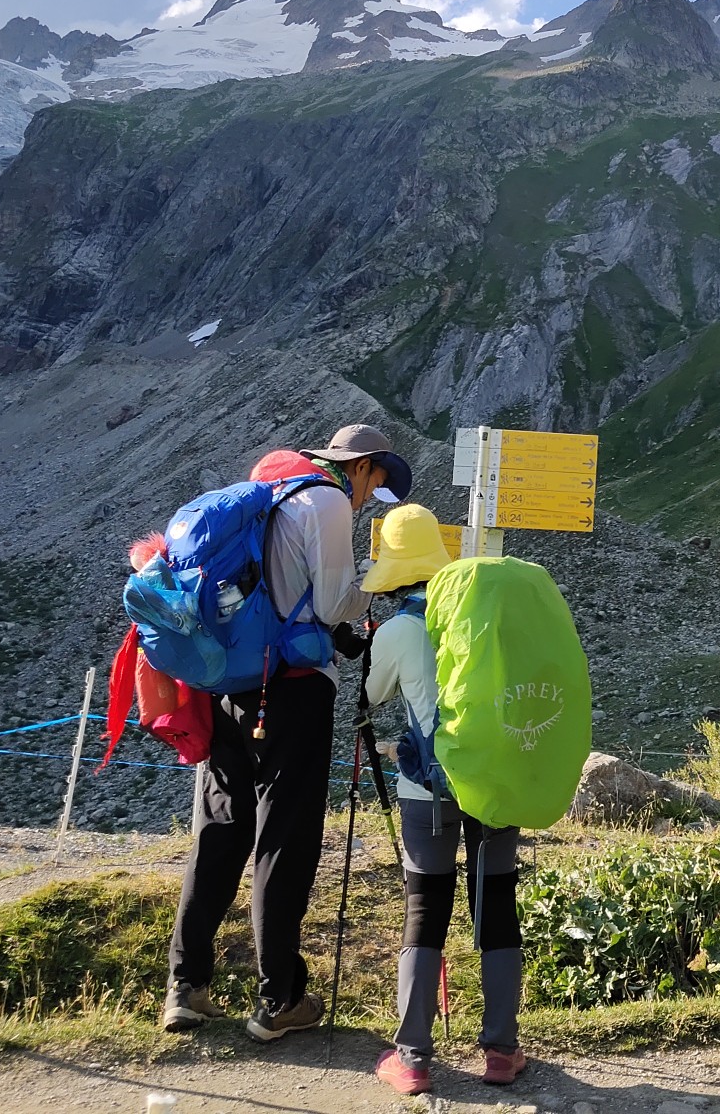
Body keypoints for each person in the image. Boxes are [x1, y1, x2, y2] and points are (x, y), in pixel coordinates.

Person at [162, 423, 413, 1040]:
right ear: (359, 466)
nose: (369, 499)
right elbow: (330, 603)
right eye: (376, 484)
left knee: (219, 833)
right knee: (285, 838)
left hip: (230, 685)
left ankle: (186, 987)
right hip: (294, 691)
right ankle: (280, 999)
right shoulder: (325, 500)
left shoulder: (271, 495)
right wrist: (370, 597)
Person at [360, 503, 528, 1095]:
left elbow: (372, 696)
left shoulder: (399, 629)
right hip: (493, 783)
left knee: (425, 908)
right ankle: (502, 1050)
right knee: (497, 903)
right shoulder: (483, 613)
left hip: (424, 789)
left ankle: (411, 1057)